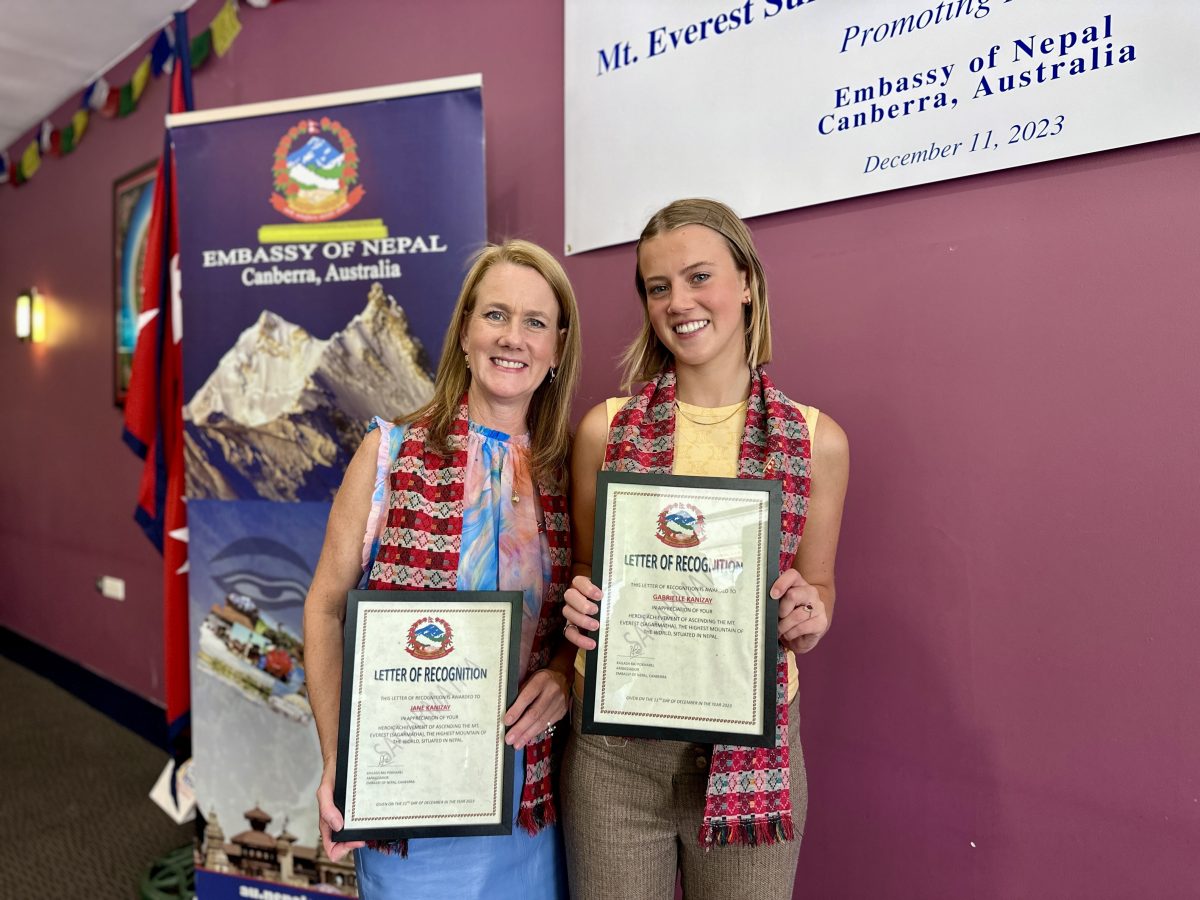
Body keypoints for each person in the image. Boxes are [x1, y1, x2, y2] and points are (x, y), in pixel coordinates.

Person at [559, 199, 850, 900]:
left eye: (698, 277)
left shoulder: (817, 441)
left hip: (755, 750)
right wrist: (578, 605)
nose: (678, 302)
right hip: (615, 756)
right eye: (658, 287)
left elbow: (819, 586)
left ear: (746, 281)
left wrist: (812, 614)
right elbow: (586, 574)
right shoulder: (606, 429)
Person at [303, 240, 582, 900]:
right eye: (495, 315)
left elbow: (590, 621)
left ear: (557, 348)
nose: (513, 338)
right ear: (464, 331)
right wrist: (338, 758)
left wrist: (566, 678)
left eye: (535, 322)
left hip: (532, 801)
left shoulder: (572, 473)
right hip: (410, 800)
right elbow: (323, 608)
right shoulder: (389, 455)